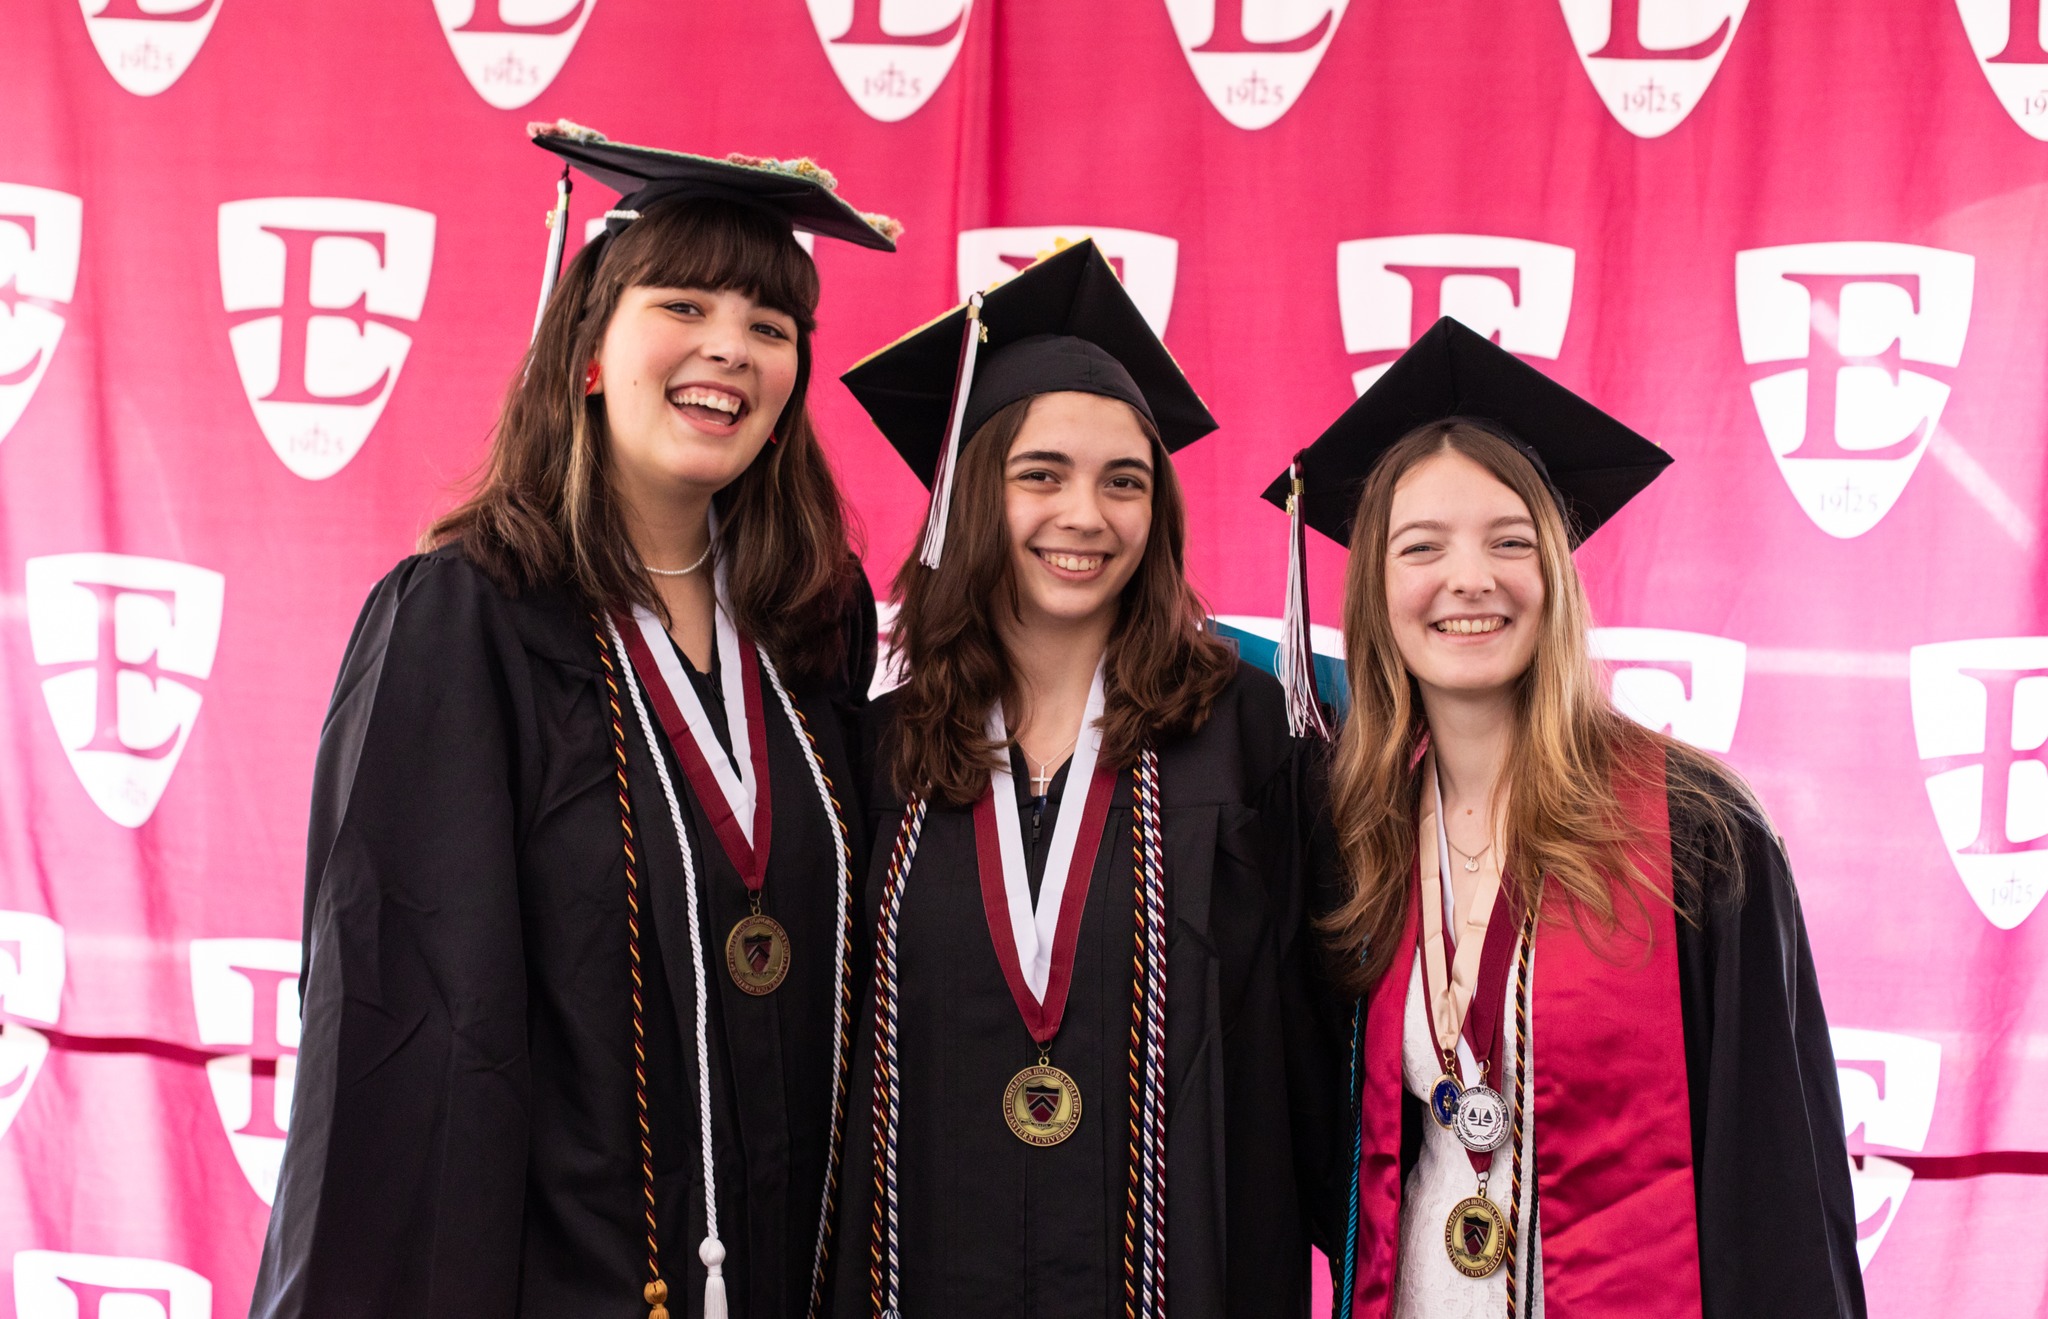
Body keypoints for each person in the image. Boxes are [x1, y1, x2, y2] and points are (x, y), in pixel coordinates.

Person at [250, 122, 898, 1319]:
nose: (729, 350)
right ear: (589, 349)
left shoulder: (810, 621)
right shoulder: (467, 619)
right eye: (685, 304)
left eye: (769, 325)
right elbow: (408, 1026)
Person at [1264, 317, 1864, 1319]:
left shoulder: (1692, 831)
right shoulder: (1356, 835)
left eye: (1508, 542)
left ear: (1553, 575)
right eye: (1422, 547)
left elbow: (1778, 1184)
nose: (1469, 579)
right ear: (1375, 586)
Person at [827, 239, 1345, 1319]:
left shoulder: (1251, 739)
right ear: (971, 496)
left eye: (1124, 482)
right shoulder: (879, 753)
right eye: (1040, 474)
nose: (1086, 515)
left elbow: (1318, 1044)